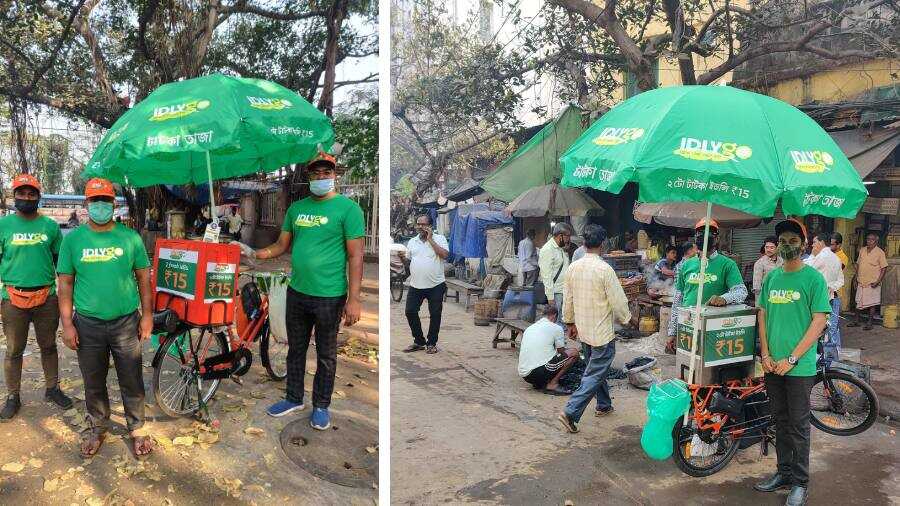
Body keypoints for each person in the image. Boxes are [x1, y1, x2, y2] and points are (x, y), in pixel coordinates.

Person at [241, 152, 364, 430]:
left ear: (335, 175)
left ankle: (321, 405)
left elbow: (356, 256)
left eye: (326, 173)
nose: (321, 177)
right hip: (297, 292)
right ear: (309, 176)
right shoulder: (297, 209)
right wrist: (254, 253)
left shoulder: (348, 209)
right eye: (316, 173)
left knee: (326, 354)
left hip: (330, 296)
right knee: (295, 349)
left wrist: (354, 299)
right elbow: (281, 245)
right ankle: (294, 397)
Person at [57, 178, 154, 457]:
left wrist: (147, 316)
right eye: (95, 200)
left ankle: (136, 428)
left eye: (105, 200)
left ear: (114, 203)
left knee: (131, 378)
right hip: (87, 324)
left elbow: (143, 280)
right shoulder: (73, 240)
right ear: (87, 204)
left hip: (126, 322)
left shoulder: (130, 238)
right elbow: (65, 284)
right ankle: (98, 427)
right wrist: (67, 324)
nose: (100, 205)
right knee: (93, 380)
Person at [754, 218, 830, 506]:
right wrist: (766, 355)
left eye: (793, 241)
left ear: (804, 244)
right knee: (780, 421)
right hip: (773, 365)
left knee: (798, 426)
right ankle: (783, 473)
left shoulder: (813, 279)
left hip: (799, 367)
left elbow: (819, 321)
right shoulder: (772, 277)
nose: (787, 246)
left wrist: (792, 357)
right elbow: (762, 316)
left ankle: (800, 482)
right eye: (783, 241)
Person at [0, 174, 73, 421]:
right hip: (12, 298)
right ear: (14, 196)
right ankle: (13, 396)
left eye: (32, 194)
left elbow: (60, 263)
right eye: (22, 193)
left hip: (46, 298)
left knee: (49, 346)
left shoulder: (50, 227)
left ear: (38, 197)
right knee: (13, 350)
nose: (26, 197)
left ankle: (52, 389)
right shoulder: (3, 226)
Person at [557, 225, 637, 433]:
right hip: (601, 333)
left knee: (594, 368)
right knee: (594, 372)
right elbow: (618, 301)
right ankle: (570, 412)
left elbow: (568, 299)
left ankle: (603, 404)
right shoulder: (604, 269)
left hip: (584, 329)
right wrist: (628, 319)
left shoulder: (574, 267)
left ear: (584, 243)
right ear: (602, 245)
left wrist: (569, 323)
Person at [668, 219, 747, 351]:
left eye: (709, 233)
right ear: (695, 238)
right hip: (687, 325)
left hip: (713, 328)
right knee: (687, 366)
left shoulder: (727, 264)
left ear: (716, 238)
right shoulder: (686, 265)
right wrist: (672, 331)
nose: (704, 237)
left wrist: (724, 298)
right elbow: (678, 300)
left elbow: (741, 292)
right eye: (700, 233)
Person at [401, 214, 449, 354]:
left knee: (435, 314)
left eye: (423, 224)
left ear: (430, 226)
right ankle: (419, 341)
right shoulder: (412, 242)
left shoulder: (439, 239)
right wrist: (402, 259)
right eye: (418, 224)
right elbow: (409, 262)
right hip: (416, 285)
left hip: (436, 285)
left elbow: (444, 255)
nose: (420, 227)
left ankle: (431, 343)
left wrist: (430, 240)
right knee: (410, 311)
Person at [517, 305, 578, 395]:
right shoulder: (556, 328)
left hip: (524, 374)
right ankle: (552, 384)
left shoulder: (530, 328)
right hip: (537, 372)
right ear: (554, 316)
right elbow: (561, 351)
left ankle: (540, 382)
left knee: (549, 355)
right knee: (574, 352)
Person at [804, 232, 844, 359]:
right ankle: (830, 359)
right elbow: (840, 281)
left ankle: (820, 359)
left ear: (821, 243)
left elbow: (805, 268)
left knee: (816, 330)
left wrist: (812, 254)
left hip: (817, 300)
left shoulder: (821, 257)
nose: (812, 245)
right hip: (829, 298)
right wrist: (829, 287)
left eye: (814, 242)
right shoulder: (836, 258)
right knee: (827, 330)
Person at [849, 232, 888, 330]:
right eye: (868, 239)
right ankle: (856, 321)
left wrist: (878, 281)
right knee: (858, 301)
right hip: (861, 281)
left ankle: (870, 323)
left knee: (872, 303)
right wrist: (856, 278)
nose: (869, 241)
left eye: (872, 239)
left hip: (873, 282)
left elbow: (884, 268)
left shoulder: (880, 252)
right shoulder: (862, 250)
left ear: (876, 241)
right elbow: (858, 265)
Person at [539, 223, 573, 329]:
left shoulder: (559, 249)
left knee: (560, 322)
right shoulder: (548, 249)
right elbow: (546, 275)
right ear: (560, 236)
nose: (569, 239)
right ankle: (556, 344)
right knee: (555, 323)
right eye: (567, 236)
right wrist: (550, 297)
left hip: (562, 290)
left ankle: (559, 343)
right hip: (555, 292)